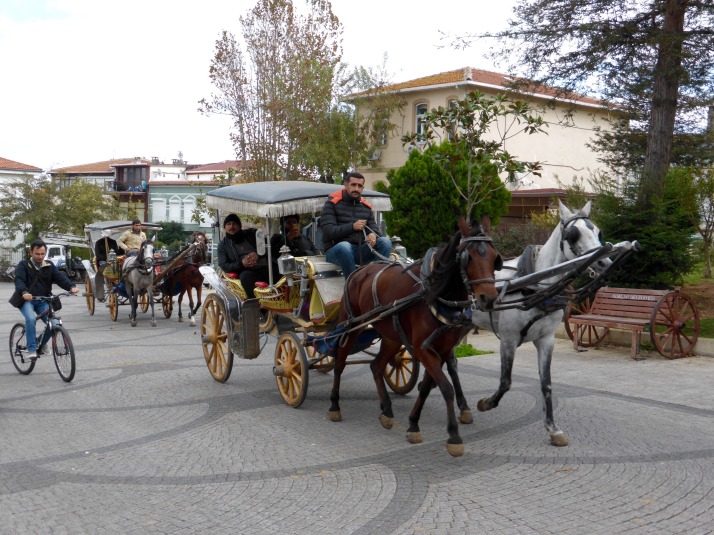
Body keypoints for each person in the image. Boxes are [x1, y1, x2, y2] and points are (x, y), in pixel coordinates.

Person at [14, 239, 79, 361]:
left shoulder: (49, 265)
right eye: (37, 254)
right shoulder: (23, 265)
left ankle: (41, 342)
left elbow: (60, 278)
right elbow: (19, 280)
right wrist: (24, 292)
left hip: (43, 300)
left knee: (54, 324)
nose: (40, 256)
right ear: (31, 253)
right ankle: (32, 349)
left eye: (43, 254)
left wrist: (71, 286)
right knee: (31, 319)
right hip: (27, 300)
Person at [319, 172, 392, 277]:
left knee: (385, 242)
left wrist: (373, 235)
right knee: (344, 247)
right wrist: (352, 227)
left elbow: (375, 230)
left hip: (360, 250)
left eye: (360, 186)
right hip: (336, 251)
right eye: (353, 185)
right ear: (346, 185)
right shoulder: (332, 204)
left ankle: (375, 279)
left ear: (363, 188)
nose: (356, 189)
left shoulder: (366, 207)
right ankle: (353, 284)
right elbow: (328, 232)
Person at [217, 213, 270, 299]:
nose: (231, 226)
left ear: (239, 225)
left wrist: (258, 254)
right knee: (246, 277)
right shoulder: (223, 245)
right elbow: (224, 265)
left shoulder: (251, 234)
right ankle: (256, 304)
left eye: (234, 223)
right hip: (244, 272)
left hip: (263, 267)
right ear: (225, 227)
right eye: (228, 224)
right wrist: (241, 264)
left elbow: (268, 247)